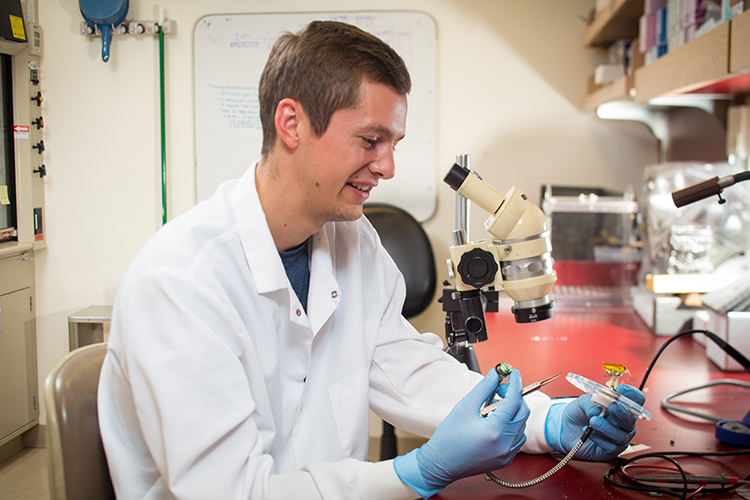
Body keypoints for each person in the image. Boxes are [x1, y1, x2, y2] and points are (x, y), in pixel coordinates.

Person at [97, 20, 645, 500]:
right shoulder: (180, 284)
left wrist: (548, 424)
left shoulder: (350, 238)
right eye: (370, 139)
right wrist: (415, 473)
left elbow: (406, 370)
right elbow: (229, 493)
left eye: (394, 142)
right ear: (291, 124)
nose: (387, 167)